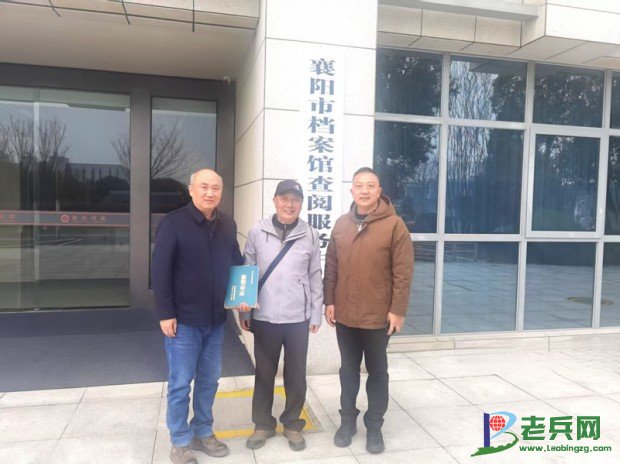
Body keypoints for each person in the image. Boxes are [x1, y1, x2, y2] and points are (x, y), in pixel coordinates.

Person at [152, 169, 243, 464]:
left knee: (209, 380)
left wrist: (243, 296)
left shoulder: (227, 224)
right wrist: (166, 313)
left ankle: (202, 431)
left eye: (215, 188)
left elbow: (237, 264)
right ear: (191, 190)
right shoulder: (173, 223)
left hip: (216, 321)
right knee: (180, 383)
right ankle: (180, 441)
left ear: (221, 192)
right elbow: (160, 272)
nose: (209, 193)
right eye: (204, 187)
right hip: (184, 322)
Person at [323, 167, 414, 454]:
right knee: (348, 370)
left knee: (377, 372)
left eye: (370, 186)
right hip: (345, 315)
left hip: (378, 316)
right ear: (351, 190)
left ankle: (374, 425)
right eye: (359, 185)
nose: (364, 190)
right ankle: (347, 422)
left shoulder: (395, 225)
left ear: (379, 191)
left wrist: (397, 310)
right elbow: (331, 267)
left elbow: (403, 272)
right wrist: (329, 301)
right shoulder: (341, 224)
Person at [238, 179, 323, 452]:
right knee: (264, 374)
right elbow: (248, 270)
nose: (289, 204)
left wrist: (316, 313)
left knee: (296, 375)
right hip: (264, 316)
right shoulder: (257, 231)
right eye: (284, 199)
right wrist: (245, 310)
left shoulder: (310, 234)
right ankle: (263, 424)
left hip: (298, 317)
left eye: (295, 199)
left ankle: (292, 424)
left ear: (301, 203)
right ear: (275, 200)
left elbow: (315, 275)